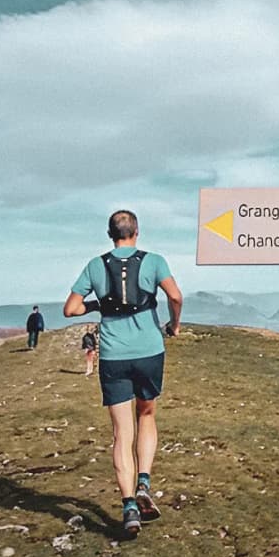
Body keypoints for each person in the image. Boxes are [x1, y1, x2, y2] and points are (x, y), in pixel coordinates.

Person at [64, 209, 182, 537]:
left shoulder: (95, 265)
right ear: (137, 231)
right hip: (149, 351)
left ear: (109, 234)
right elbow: (175, 296)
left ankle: (129, 505)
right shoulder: (154, 261)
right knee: (147, 415)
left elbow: (70, 308)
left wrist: (99, 305)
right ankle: (144, 481)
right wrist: (174, 324)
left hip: (114, 357)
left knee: (121, 433)